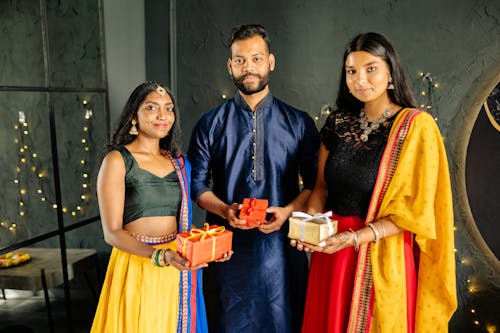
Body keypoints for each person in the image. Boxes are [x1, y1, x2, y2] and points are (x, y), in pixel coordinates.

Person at [291, 32, 457, 333]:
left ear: (390, 74)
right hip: (331, 255)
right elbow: (321, 189)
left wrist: (355, 238)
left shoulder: (415, 127)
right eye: (351, 71)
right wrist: (311, 226)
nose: (360, 79)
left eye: (371, 69)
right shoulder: (338, 123)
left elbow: (415, 214)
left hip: (382, 254)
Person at [188, 24, 319, 332]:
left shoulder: (298, 122)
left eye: (256, 59)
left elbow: (315, 184)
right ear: (230, 66)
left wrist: (287, 211)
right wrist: (225, 211)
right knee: (227, 321)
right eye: (240, 60)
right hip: (225, 251)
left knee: (285, 320)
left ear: (271, 62)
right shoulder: (210, 123)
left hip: (282, 250)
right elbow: (195, 184)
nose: (249, 67)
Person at [91, 82, 213, 332]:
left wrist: (209, 247)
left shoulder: (180, 163)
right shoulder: (117, 161)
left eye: (169, 109)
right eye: (152, 108)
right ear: (134, 115)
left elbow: (183, 223)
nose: (163, 116)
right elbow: (112, 232)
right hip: (137, 265)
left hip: (177, 267)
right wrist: (159, 255)